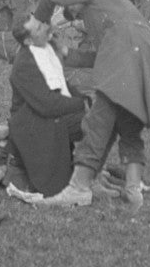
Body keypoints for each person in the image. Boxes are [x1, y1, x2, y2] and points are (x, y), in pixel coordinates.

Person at [33, 0, 150, 211]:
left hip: (127, 48)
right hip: (143, 51)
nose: (77, 15)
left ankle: (78, 187)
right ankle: (133, 189)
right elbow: (101, 55)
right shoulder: (108, 10)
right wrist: (68, 53)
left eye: (74, 10)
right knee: (129, 124)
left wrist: (40, 24)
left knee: (99, 120)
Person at [5, 13, 88, 197]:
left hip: (50, 114)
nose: (45, 27)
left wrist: (83, 99)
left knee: (101, 118)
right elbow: (47, 104)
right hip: (33, 122)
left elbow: (62, 84)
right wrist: (80, 103)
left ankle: (90, 174)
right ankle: (85, 178)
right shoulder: (25, 64)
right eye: (39, 28)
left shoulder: (45, 49)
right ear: (28, 41)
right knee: (95, 123)